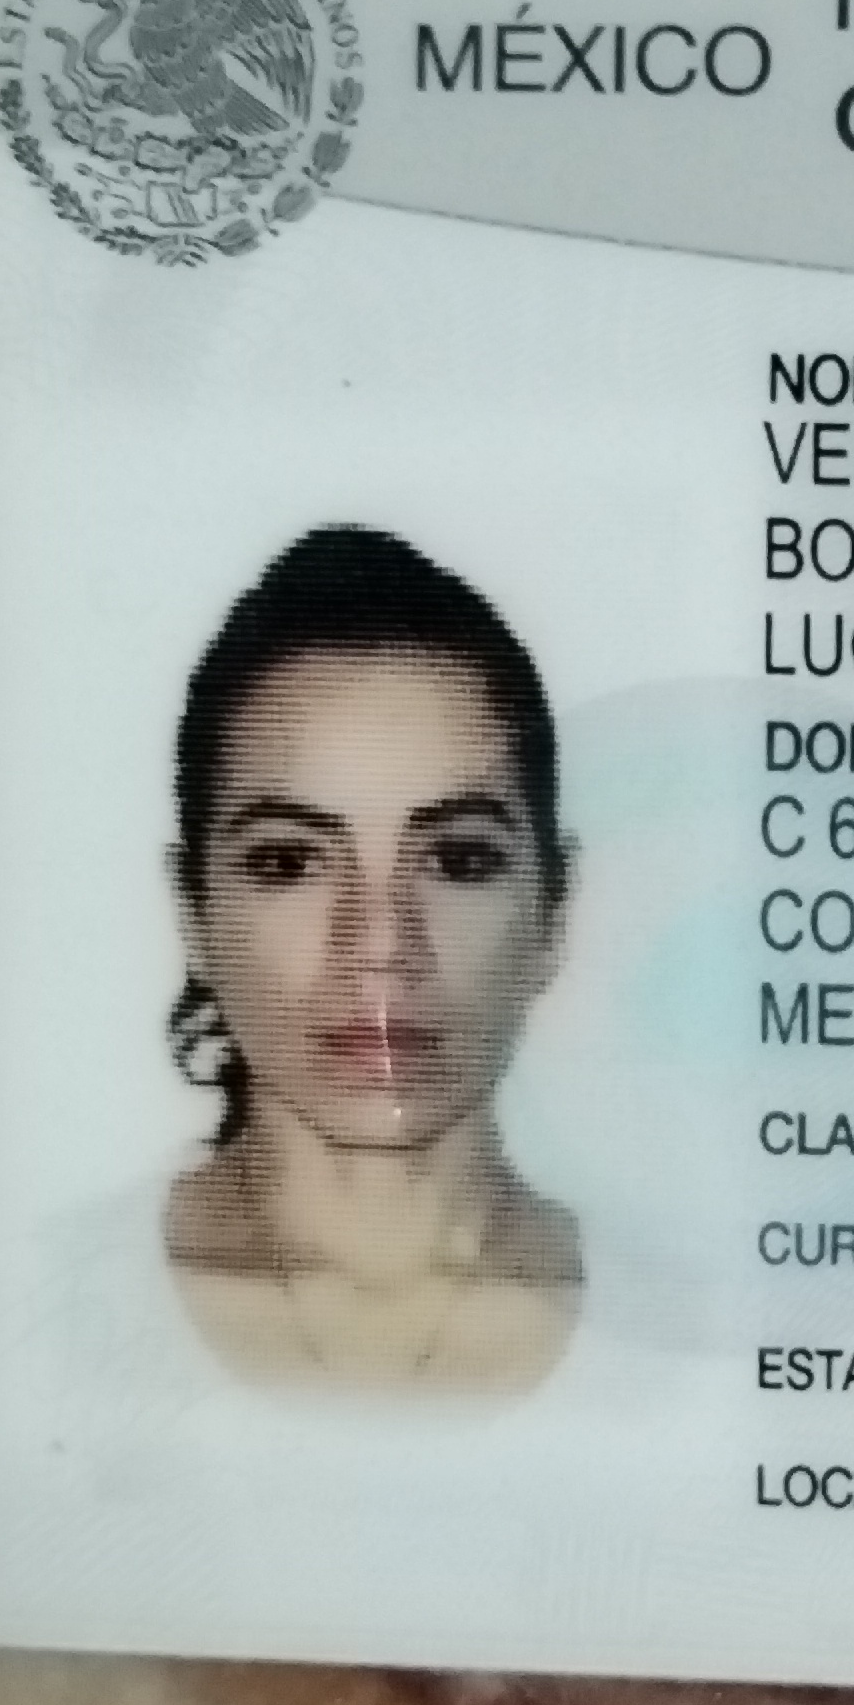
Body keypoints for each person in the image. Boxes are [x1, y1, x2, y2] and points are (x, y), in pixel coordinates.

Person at [156, 525, 582, 1395]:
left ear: (552, 913)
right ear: (194, 915)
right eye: (288, 862)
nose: (382, 943)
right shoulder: (20, 1315)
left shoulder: (701, 1334)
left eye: (460, 860)